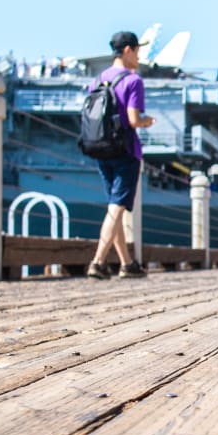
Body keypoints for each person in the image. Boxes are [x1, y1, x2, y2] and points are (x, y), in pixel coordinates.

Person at [85, 30, 155, 279]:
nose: (138, 56)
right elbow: (134, 119)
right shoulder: (133, 80)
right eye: (137, 51)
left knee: (114, 207)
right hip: (126, 150)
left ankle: (127, 263)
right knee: (116, 208)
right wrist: (148, 122)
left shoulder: (97, 80)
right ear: (127, 50)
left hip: (101, 149)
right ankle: (98, 262)